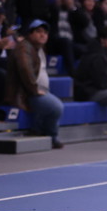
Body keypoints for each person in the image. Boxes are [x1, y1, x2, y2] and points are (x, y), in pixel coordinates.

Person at [5, 19, 64, 149]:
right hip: (25, 93)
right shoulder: (24, 47)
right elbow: (24, 69)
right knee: (56, 107)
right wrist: (34, 89)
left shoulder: (39, 48)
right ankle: (51, 136)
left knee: (50, 104)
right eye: (38, 31)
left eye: (45, 33)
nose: (43, 35)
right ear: (30, 34)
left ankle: (37, 129)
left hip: (37, 90)